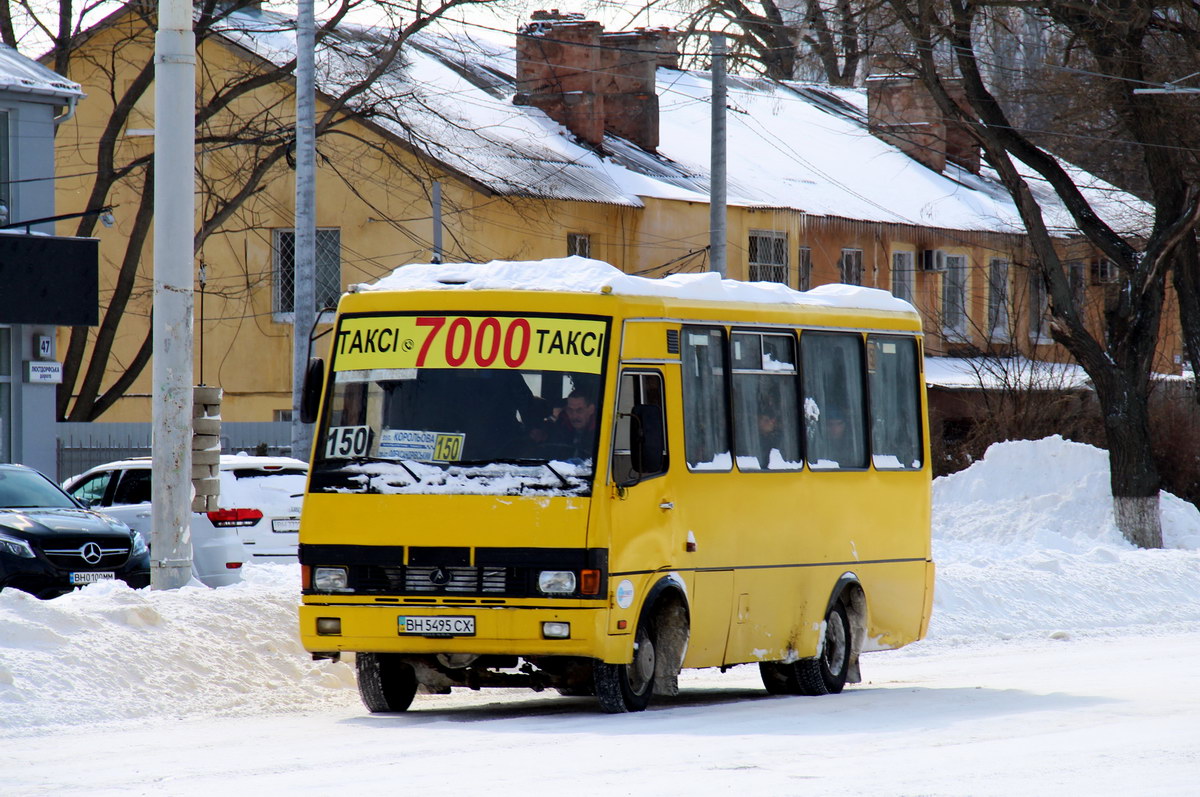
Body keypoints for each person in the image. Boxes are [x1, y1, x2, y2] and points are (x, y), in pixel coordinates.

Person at [550, 389, 597, 457]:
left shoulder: (600, 433)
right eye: (570, 410)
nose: (574, 416)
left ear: (591, 410)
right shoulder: (560, 427)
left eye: (579, 410)